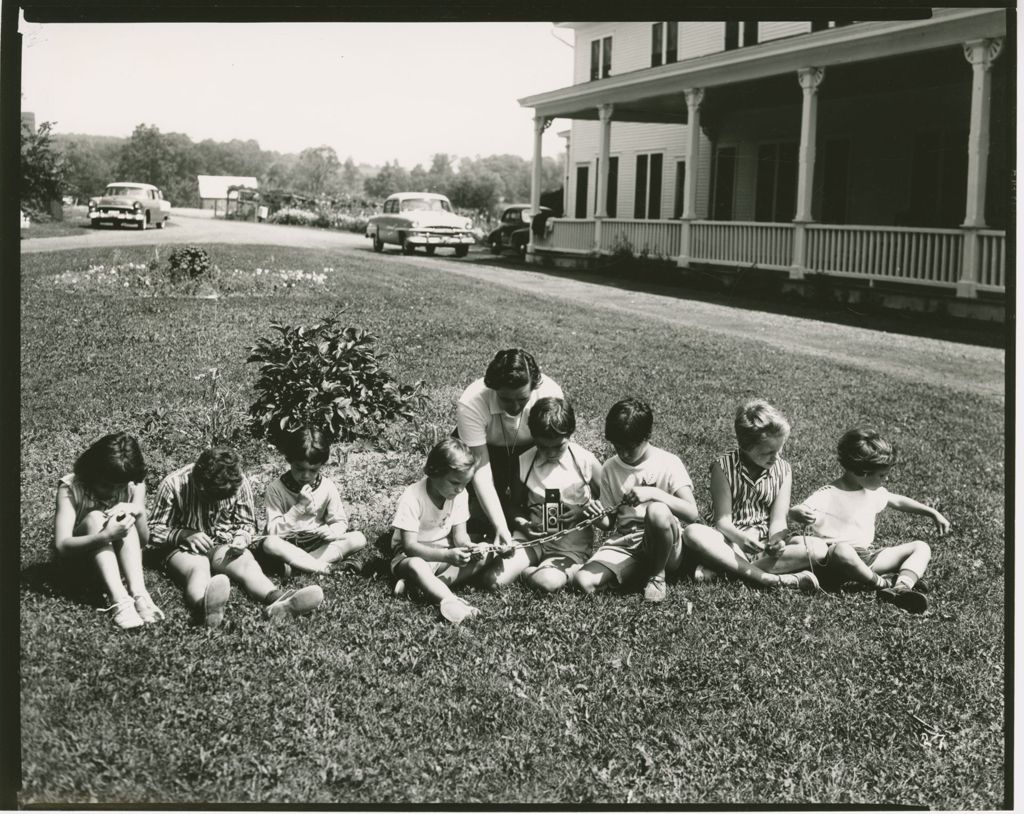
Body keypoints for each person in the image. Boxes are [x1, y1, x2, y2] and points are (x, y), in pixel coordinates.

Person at [149, 447, 323, 628]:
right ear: (198, 483)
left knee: (246, 563)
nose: (215, 505)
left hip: (222, 542)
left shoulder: (238, 482)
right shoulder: (173, 484)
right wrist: (183, 535)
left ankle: (278, 601)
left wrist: (241, 537)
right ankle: (205, 607)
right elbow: (152, 530)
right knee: (197, 568)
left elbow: (246, 523)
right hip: (184, 548)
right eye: (210, 498)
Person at [788, 427, 949, 613]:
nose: (885, 480)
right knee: (842, 550)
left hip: (866, 558)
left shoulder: (871, 492)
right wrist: (798, 513)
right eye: (881, 475)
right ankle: (882, 583)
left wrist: (931, 512)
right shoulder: (829, 494)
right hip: (833, 561)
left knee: (921, 547)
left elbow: (897, 500)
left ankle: (902, 586)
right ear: (863, 472)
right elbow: (799, 509)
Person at [681, 400, 821, 592]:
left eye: (779, 449)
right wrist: (742, 540)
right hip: (730, 543)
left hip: (763, 546)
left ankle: (726, 572)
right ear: (746, 446)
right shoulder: (723, 468)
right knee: (693, 532)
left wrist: (776, 543)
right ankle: (769, 579)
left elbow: (778, 521)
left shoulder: (783, 469)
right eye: (768, 452)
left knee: (818, 548)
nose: (776, 457)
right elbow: (723, 522)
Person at [573, 398, 700, 603]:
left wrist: (654, 494)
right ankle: (639, 572)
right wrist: (596, 516)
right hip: (627, 542)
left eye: (630, 447)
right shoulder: (610, 467)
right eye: (617, 447)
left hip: (665, 543)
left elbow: (692, 513)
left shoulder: (668, 462)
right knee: (583, 581)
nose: (623, 453)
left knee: (657, 511)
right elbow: (609, 523)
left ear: (647, 436)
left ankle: (658, 575)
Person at [489, 396, 602, 593]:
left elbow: (608, 503)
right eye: (542, 446)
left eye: (558, 446)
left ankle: (540, 572)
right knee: (493, 580)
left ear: (570, 434)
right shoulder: (524, 461)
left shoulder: (586, 462)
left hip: (569, 546)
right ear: (533, 437)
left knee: (547, 582)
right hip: (533, 540)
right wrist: (524, 525)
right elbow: (513, 505)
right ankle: (531, 569)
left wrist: (581, 512)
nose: (550, 453)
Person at [53, 432, 164, 630]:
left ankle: (139, 594)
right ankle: (119, 600)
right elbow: (61, 546)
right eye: (105, 485)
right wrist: (105, 536)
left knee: (124, 518)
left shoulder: (133, 486)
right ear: (91, 472)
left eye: (119, 486)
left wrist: (137, 511)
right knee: (97, 517)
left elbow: (143, 541)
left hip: (118, 563)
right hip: (77, 564)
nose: (112, 492)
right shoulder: (70, 488)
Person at [455, 348, 563, 548]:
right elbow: (480, 469)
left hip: (532, 449)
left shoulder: (550, 394)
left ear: (534, 386)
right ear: (492, 388)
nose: (514, 407)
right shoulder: (472, 401)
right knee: (477, 518)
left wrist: (552, 517)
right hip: (486, 450)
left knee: (533, 509)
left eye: (522, 399)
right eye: (505, 399)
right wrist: (500, 526)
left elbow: (555, 455)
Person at [389, 438, 492, 625]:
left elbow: (460, 537)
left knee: (485, 553)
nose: (460, 489)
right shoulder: (413, 497)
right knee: (417, 566)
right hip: (409, 557)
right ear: (434, 472)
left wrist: (470, 548)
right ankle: (451, 600)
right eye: (454, 482)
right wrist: (446, 556)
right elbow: (410, 547)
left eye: (465, 483)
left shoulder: (459, 494)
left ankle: (422, 586)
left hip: (442, 553)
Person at [260, 427, 366, 578]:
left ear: (321, 465)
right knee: (270, 543)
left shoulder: (327, 486)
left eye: (313, 470)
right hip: (288, 543)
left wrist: (332, 532)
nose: (306, 476)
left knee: (358, 538)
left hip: (316, 541)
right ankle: (325, 568)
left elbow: (339, 521)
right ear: (289, 461)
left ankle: (297, 568)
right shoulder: (276, 489)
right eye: (300, 469)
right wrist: (299, 507)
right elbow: (274, 531)